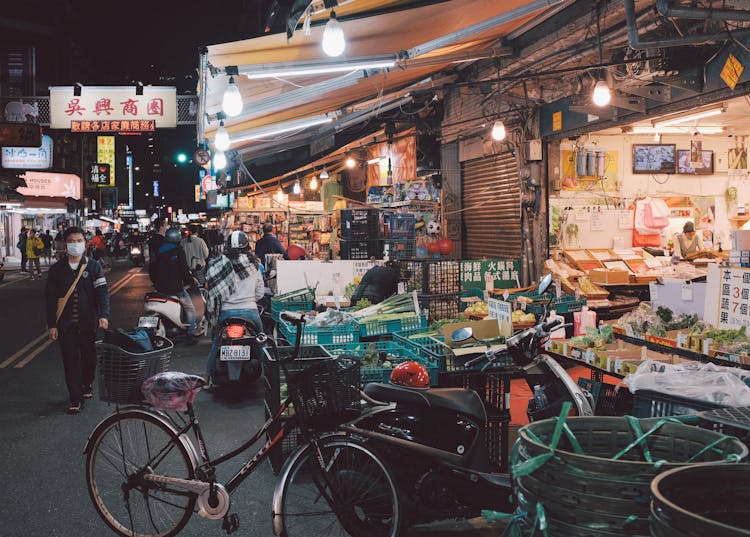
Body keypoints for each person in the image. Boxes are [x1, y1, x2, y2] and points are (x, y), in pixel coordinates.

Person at [45, 226, 110, 414]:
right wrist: (52, 325)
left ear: (85, 243)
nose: (75, 245)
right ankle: (76, 398)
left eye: (79, 241)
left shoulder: (93, 266)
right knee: (70, 361)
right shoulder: (57, 270)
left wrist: (104, 315)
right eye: (71, 241)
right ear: (65, 245)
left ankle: (86, 383)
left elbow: (102, 292)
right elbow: (50, 298)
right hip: (66, 326)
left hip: (88, 324)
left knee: (89, 359)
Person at [204, 230, 264, 381]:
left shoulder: (220, 264)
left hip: (226, 312)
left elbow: (213, 288)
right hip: (250, 311)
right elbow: (260, 293)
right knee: (261, 342)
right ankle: (269, 374)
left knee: (217, 343)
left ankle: (206, 377)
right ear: (247, 246)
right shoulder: (254, 264)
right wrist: (250, 298)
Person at [151, 226, 199, 344]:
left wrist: (156, 283)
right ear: (177, 238)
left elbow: (152, 269)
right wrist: (190, 281)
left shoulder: (159, 251)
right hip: (176, 289)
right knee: (190, 309)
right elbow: (184, 270)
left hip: (160, 288)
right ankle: (191, 334)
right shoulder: (178, 251)